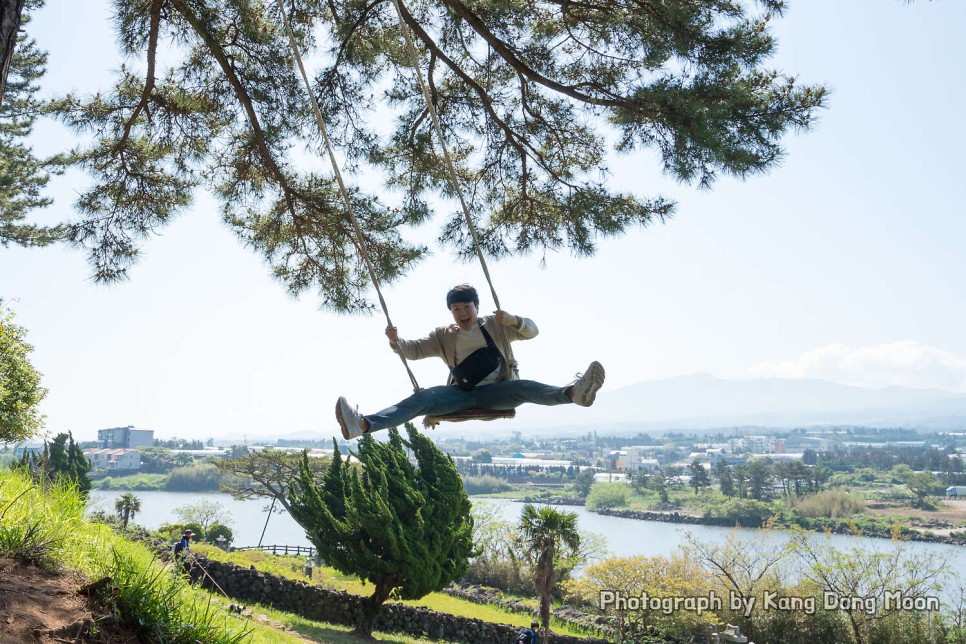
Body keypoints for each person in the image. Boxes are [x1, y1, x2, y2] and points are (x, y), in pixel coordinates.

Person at [336, 283, 605, 439]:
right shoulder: (444, 334)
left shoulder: (496, 325)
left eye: (467, 307)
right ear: (451, 312)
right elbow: (415, 350)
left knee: (526, 387)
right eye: (457, 309)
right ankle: (362, 425)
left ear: (476, 307)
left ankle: (574, 393)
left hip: (498, 391)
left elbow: (533, 331)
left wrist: (513, 320)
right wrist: (396, 341)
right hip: (461, 394)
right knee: (422, 398)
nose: (462, 313)